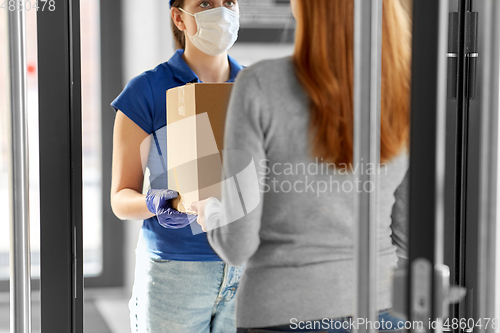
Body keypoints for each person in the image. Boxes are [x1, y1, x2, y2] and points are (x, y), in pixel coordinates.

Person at [191, 0, 412, 332]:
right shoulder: (403, 87)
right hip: (382, 308)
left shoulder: (261, 84)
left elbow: (237, 245)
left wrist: (209, 211)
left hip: (283, 310)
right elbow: (407, 231)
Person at [109, 0, 244, 332]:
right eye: (206, 3)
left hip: (246, 268)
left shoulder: (253, 88)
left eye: (229, 2)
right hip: (176, 274)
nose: (221, 12)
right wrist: (159, 203)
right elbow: (120, 199)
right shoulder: (147, 91)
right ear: (179, 18)